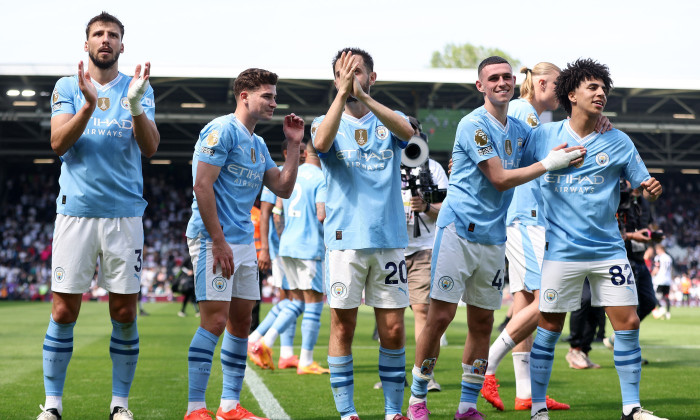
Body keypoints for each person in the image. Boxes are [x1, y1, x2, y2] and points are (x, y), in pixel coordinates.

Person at [407, 56, 584, 420]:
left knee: (482, 323)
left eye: (506, 76)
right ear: (481, 86)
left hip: (493, 236)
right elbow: (500, 178)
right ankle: (417, 400)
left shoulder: (520, 129)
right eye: (493, 78)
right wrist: (549, 163)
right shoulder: (473, 124)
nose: (501, 82)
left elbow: (560, 138)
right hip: (457, 231)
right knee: (439, 317)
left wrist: (596, 123)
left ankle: (467, 406)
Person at [523, 58, 665, 420]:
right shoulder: (543, 136)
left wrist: (650, 189)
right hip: (561, 251)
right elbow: (515, 169)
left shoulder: (617, 140)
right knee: (550, 326)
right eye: (593, 87)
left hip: (608, 250)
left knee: (629, 322)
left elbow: (642, 184)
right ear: (571, 94)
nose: (601, 93)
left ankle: (631, 408)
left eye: (604, 89)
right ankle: (538, 408)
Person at [39, 12, 160, 420]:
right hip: (76, 213)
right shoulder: (66, 86)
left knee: (124, 312)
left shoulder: (137, 87)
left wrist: (138, 104)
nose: (105, 40)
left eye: (113, 35)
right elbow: (58, 142)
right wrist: (89, 105)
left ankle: (119, 404)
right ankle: (53, 405)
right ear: (86, 42)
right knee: (62, 311)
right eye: (98, 34)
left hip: (124, 215)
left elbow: (150, 148)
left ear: (122, 45)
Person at [183, 68, 303, 420]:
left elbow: (282, 187)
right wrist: (219, 241)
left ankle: (229, 406)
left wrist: (294, 145)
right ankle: (195, 409)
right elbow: (202, 186)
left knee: (241, 322)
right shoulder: (221, 130)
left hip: (243, 243)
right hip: (212, 238)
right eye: (267, 96)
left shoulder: (258, 143)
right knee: (215, 322)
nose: (273, 102)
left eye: (274, 96)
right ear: (244, 96)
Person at [311, 47, 415, 420]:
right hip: (344, 241)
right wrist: (343, 94)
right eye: (344, 72)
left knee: (392, 326)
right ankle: (347, 413)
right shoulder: (324, 121)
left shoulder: (391, 119)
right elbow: (320, 145)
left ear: (373, 77)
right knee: (343, 323)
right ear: (335, 79)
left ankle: (392, 411)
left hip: (388, 238)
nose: (352, 77)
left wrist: (364, 96)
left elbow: (408, 133)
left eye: (359, 72)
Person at [481, 63, 571, 412]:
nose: (564, 96)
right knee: (547, 299)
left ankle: (525, 394)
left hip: (526, 217)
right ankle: (486, 365)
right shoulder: (522, 113)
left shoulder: (533, 115)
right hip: (525, 217)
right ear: (543, 83)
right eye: (561, 88)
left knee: (524, 304)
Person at [248, 139, 307, 370]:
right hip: (283, 248)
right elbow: (265, 215)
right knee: (294, 299)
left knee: (289, 299)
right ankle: (259, 341)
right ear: (286, 152)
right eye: (299, 151)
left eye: (304, 151)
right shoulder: (277, 175)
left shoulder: (306, 176)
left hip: (293, 248)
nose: (303, 155)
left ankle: (285, 353)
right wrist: (264, 248)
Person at [400, 116, 449, 392]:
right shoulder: (384, 165)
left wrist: (427, 208)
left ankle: (424, 375)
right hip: (391, 248)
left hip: (424, 248)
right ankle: (393, 375)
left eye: (412, 132)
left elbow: (448, 208)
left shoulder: (434, 169)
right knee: (391, 316)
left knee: (422, 310)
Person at [275, 140, 329, 374]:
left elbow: (278, 213)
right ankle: (305, 360)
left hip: (287, 244)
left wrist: (283, 236)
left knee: (293, 301)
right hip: (309, 246)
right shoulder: (320, 178)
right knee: (314, 303)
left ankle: (263, 341)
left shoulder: (291, 173)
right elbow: (321, 214)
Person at [651, 243, 673, 319]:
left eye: (657, 249)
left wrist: (651, 275)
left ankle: (660, 308)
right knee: (666, 296)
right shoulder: (669, 258)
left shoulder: (658, 257)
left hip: (659, 280)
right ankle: (668, 313)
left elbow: (656, 268)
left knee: (653, 295)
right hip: (667, 280)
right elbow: (671, 269)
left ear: (660, 249)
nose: (656, 251)